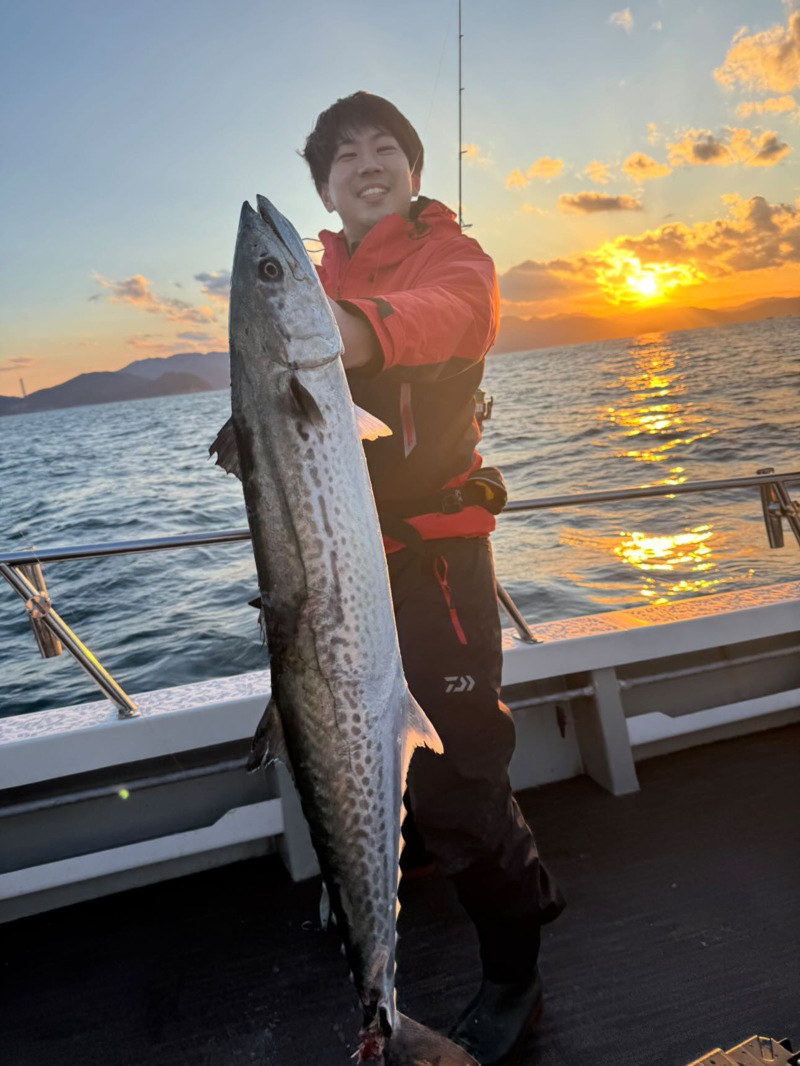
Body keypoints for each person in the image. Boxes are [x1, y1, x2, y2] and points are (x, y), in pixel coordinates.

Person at [301, 91, 564, 1066]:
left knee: (458, 779)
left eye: (384, 149)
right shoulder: (311, 276)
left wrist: (340, 330)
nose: (365, 162)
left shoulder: (452, 257)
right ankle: (386, 954)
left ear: (410, 172)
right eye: (342, 156)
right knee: (347, 774)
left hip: (436, 569)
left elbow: (450, 314)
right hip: (338, 580)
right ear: (325, 187)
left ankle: (514, 971)